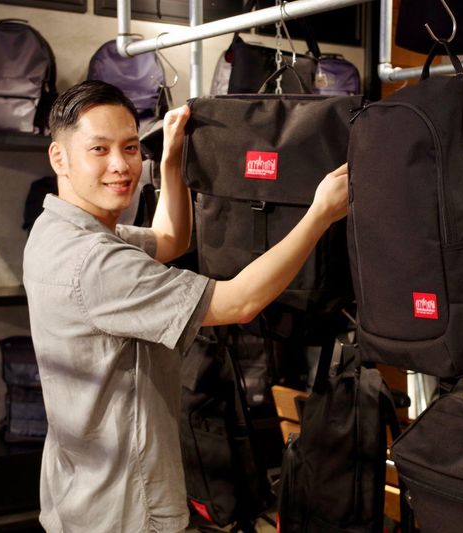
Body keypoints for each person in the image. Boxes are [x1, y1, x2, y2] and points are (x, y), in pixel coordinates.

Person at [23, 79, 348, 533]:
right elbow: (240, 302)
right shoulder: (97, 263)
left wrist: (172, 159)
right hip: (125, 509)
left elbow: (171, 240)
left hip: (77, 493)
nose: (120, 165)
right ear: (59, 157)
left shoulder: (56, 233)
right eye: (99, 149)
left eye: (130, 147)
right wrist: (320, 214)